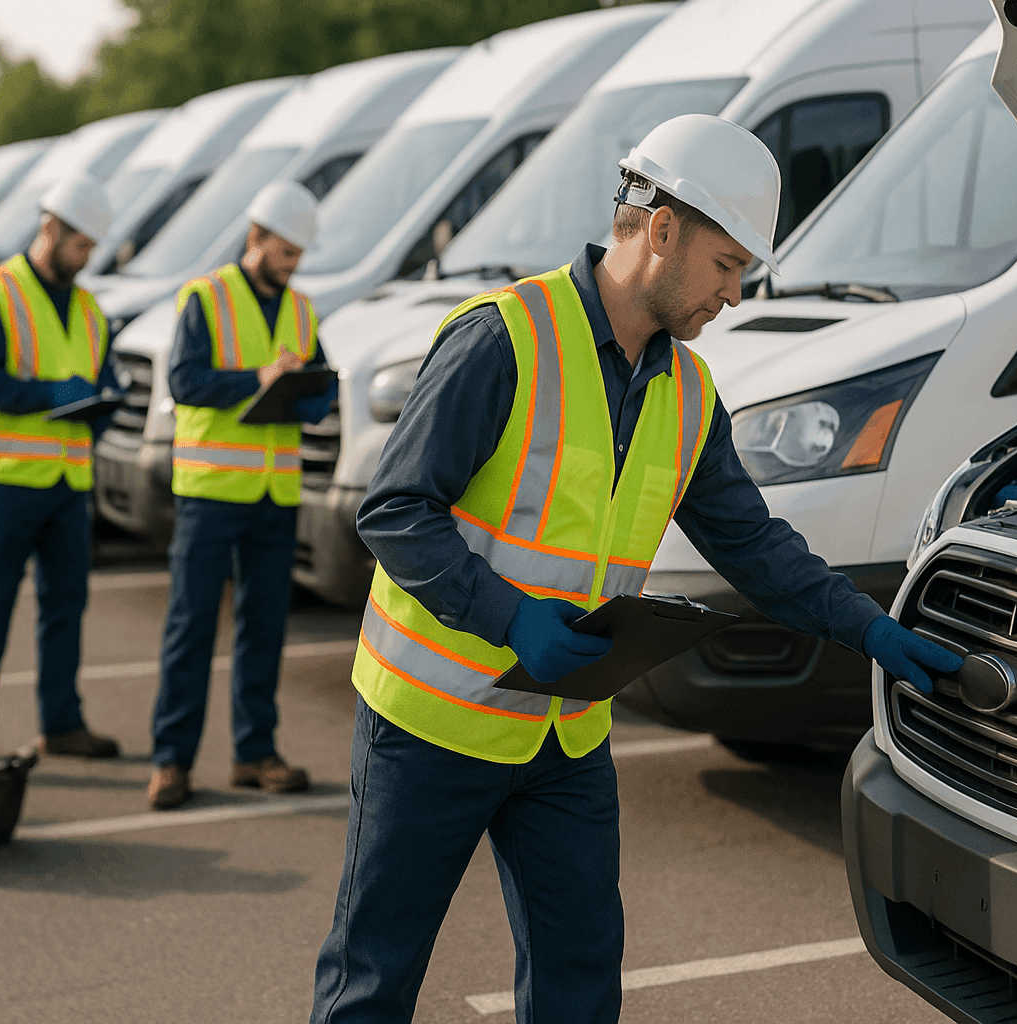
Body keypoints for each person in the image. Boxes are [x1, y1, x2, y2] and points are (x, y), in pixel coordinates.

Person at [308, 115, 964, 1022]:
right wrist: (510, 616)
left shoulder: (691, 394)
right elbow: (392, 511)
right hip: (433, 727)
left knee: (580, 988)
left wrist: (869, 626)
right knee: (372, 983)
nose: (734, 295)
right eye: (727, 266)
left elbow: (754, 546)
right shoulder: (504, 338)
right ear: (662, 230)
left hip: (565, 737)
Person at [147, 182, 335, 810]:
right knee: (191, 627)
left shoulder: (303, 310)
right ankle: (171, 761)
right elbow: (184, 380)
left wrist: (305, 389)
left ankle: (255, 753)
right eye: (285, 253)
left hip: (274, 494)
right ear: (255, 237)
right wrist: (259, 379)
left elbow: (321, 389)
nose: (293, 266)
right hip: (210, 492)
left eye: (298, 256)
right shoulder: (205, 297)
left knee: (263, 629)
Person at [0, 173, 121, 773]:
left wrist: (97, 407)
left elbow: (108, 384)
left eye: (91, 249)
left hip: (69, 486)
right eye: (81, 245)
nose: (86, 257)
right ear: (50, 228)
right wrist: (51, 394)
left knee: (65, 608)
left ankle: (62, 725)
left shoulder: (92, 309)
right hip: (8, 482)